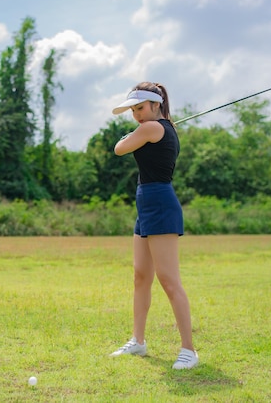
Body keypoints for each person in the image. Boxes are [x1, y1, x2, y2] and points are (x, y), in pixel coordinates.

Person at [109, 82, 198, 370]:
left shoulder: (149, 129)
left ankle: (189, 350)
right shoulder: (159, 127)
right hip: (146, 201)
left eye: (140, 108)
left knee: (169, 280)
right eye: (133, 110)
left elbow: (119, 148)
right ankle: (138, 340)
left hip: (159, 201)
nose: (136, 115)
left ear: (155, 105)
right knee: (140, 276)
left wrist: (133, 133)